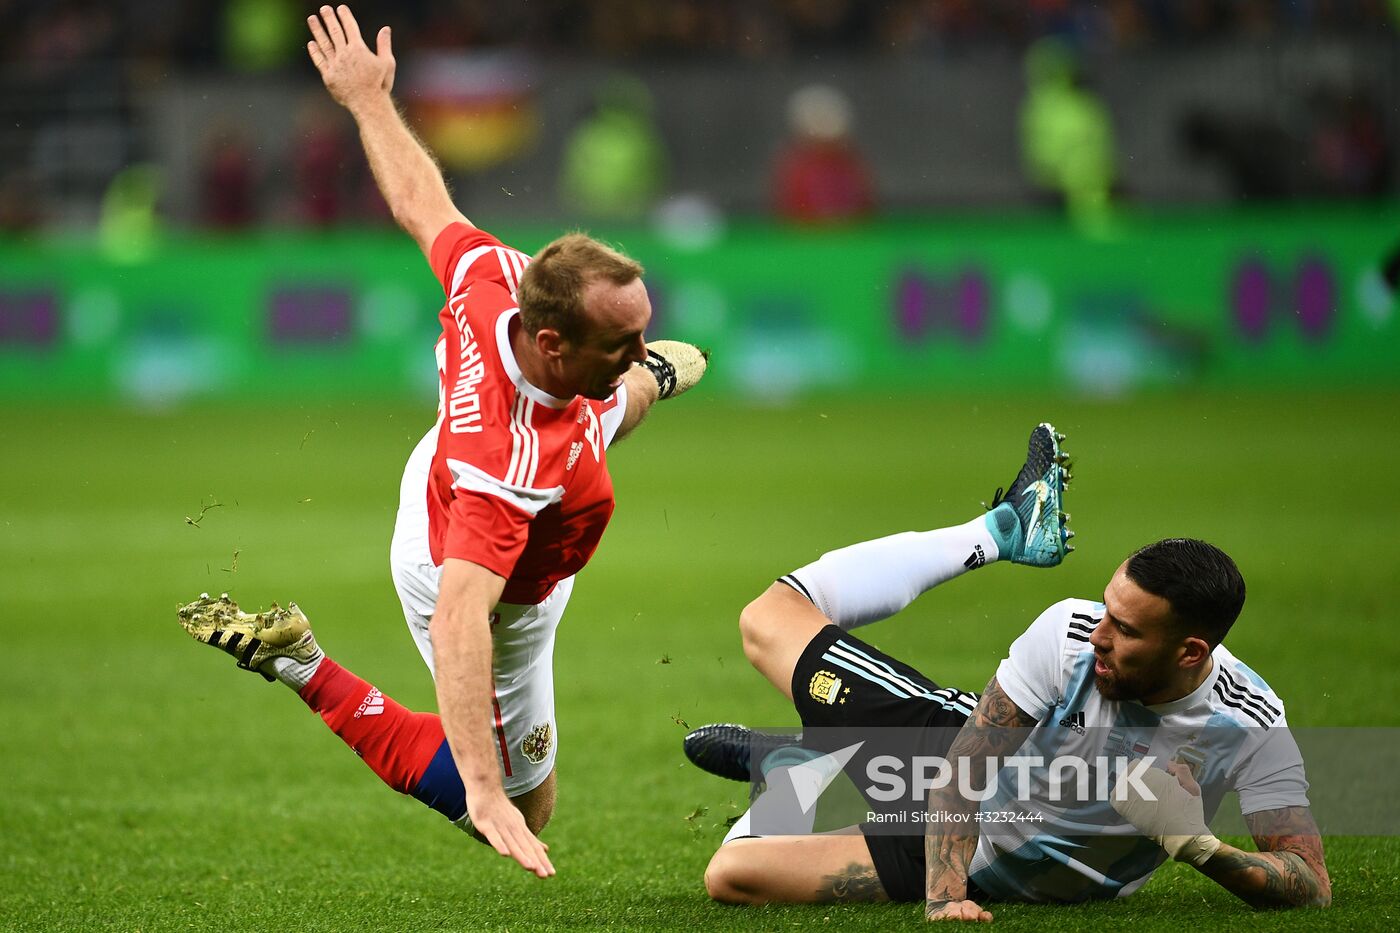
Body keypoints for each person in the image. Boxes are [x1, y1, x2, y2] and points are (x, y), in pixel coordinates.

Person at [176, 4, 707, 881]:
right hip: (483, 577)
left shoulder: (493, 276)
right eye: (619, 343)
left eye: (639, 335)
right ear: (552, 344)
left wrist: (368, 100)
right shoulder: (512, 466)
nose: (631, 347)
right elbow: (464, 617)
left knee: (613, 404)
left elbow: (424, 203)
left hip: (463, 474)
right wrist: (483, 789)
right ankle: (306, 667)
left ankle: (657, 383)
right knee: (527, 805)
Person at [686, 424, 1331, 917]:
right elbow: (961, 774)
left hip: (992, 863)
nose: (1099, 637)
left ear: (1191, 651)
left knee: (733, 873)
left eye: (1127, 631)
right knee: (767, 621)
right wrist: (944, 899)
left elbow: (1309, 884)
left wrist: (1201, 848)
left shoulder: (1248, 720)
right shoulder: (1069, 636)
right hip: (955, 766)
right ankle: (1000, 531)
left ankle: (800, 763)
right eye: (1106, 611)